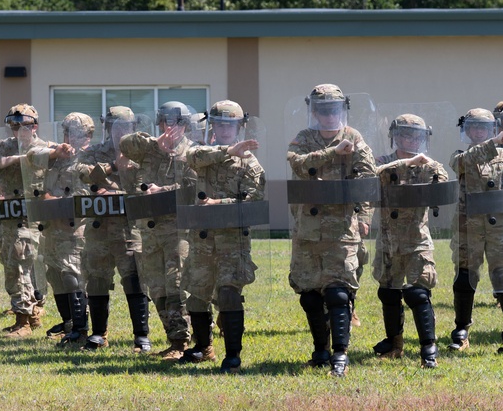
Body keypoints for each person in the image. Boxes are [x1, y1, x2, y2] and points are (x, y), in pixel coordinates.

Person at [287, 84, 377, 377]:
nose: (328, 114)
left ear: (342, 109)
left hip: (341, 228)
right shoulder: (304, 138)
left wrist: (364, 216)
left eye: (333, 109)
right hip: (308, 229)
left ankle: (340, 355)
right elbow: (298, 164)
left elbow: (367, 179)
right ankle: (321, 350)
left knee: (338, 293)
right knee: (310, 295)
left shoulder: (354, 138)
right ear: (314, 111)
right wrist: (332, 152)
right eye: (323, 109)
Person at [180, 100, 266, 372]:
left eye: (230, 125)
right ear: (212, 126)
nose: (224, 129)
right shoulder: (203, 154)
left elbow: (254, 204)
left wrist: (220, 205)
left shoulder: (250, 165)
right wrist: (227, 151)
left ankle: (233, 355)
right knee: (196, 294)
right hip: (202, 241)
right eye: (219, 124)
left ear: (240, 127)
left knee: (228, 294)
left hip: (232, 243)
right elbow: (190, 156)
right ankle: (202, 348)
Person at [118, 102, 198, 359]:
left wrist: (160, 191)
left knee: (176, 284)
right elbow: (125, 145)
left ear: (185, 126)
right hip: (150, 231)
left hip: (178, 229)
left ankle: (185, 342)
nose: (169, 127)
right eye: (164, 122)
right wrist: (156, 143)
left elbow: (192, 187)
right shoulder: (149, 150)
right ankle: (174, 338)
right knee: (157, 288)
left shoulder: (192, 153)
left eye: (175, 122)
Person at [371, 114, 448, 368]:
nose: (411, 139)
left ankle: (428, 348)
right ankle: (394, 343)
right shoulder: (383, 162)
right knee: (388, 293)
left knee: (417, 293)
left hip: (416, 240)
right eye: (405, 134)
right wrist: (405, 164)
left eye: (416, 135)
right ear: (395, 136)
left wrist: (423, 165)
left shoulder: (429, 165)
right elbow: (369, 175)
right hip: (388, 241)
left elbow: (443, 184)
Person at [449, 108, 503, 356]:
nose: (479, 131)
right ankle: (461, 332)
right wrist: (492, 143)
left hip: (499, 225)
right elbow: (461, 165)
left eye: (484, 127)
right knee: (465, 276)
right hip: (468, 225)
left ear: (492, 129)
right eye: (474, 127)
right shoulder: (461, 155)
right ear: (467, 130)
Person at [76, 106, 150, 352]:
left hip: (129, 229)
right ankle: (98, 334)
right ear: (107, 128)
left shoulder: (141, 155)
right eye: (116, 126)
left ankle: (141, 336)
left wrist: (115, 191)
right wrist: (113, 167)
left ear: (133, 128)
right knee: (97, 278)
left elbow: (145, 186)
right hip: (99, 228)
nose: (120, 131)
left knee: (134, 279)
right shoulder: (95, 152)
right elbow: (83, 174)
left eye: (125, 127)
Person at [24, 112, 94, 345]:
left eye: (75, 133)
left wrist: (49, 199)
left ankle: (81, 329)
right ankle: (68, 324)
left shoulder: (90, 157)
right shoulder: (58, 154)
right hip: (52, 230)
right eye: (66, 131)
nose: (69, 137)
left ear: (87, 135)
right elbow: (32, 156)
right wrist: (55, 152)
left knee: (72, 276)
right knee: (55, 276)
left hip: (74, 230)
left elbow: (85, 195)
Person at [0, 104, 47, 337]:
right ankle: (30, 314)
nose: (17, 131)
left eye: (23, 126)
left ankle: (24, 321)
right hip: (7, 218)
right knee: (10, 266)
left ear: (35, 126)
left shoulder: (43, 149)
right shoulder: (3, 146)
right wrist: (14, 160)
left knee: (22, 264)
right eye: (13, 126)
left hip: (31, 219)